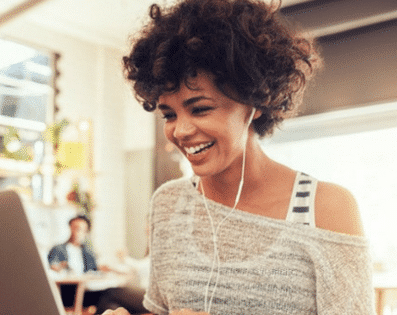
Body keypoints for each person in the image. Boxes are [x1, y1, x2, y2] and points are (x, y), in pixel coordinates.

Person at [103, 0, 375, 314]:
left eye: (200, 108)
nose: (180, 131)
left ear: (255, 100)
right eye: (169, 115)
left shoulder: (326, 209)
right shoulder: (169, 205)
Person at [48, 215, 111, 310]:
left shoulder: (88, 252)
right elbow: (53, 266)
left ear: (86, 232)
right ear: (70, 228)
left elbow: (94, 270)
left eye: (81, 229)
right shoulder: (58, 249)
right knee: (111, 296)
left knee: (110, 300)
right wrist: (59, 267)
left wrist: (103, 269)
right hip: (67, 291)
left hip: (86, 291)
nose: (77, 232)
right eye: (75, 228)